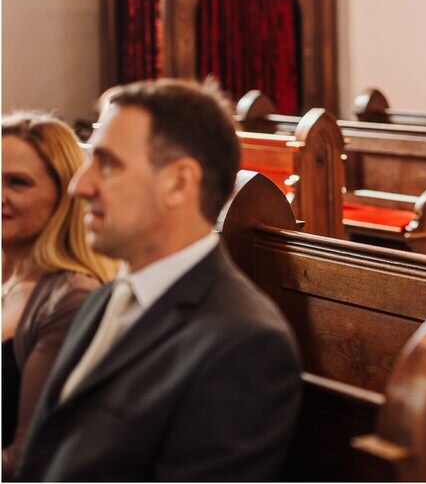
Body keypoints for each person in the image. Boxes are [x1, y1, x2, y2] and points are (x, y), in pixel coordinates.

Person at [14, 79, 302, 481]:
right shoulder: (106, 297)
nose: (79, 185)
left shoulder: (243, 343)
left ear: (179, 183)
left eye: (107, 163)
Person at [1, 114, 117, 478]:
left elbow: (30, 458)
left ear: (65, 195)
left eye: (17, 183)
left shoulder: (72, 299)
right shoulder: (8, 274)